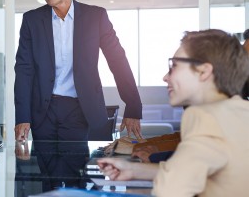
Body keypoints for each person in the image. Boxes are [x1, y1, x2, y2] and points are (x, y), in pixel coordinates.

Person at [98, 29, 249, 196]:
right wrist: (135, 170)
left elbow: (170, 190)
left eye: (174, 66)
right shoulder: (239, 111)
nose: (165, 77)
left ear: (204, 71)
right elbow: (197, 172)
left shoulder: (203, 116)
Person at [14, 0, 142, 142]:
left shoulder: (96, 17)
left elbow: (117, 61)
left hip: (81, 108)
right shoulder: (31, 20)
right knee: (43, 169)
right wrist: (22, 117)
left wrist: (133, 105)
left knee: (75, 167)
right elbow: (24, 70)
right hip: (43, 111)